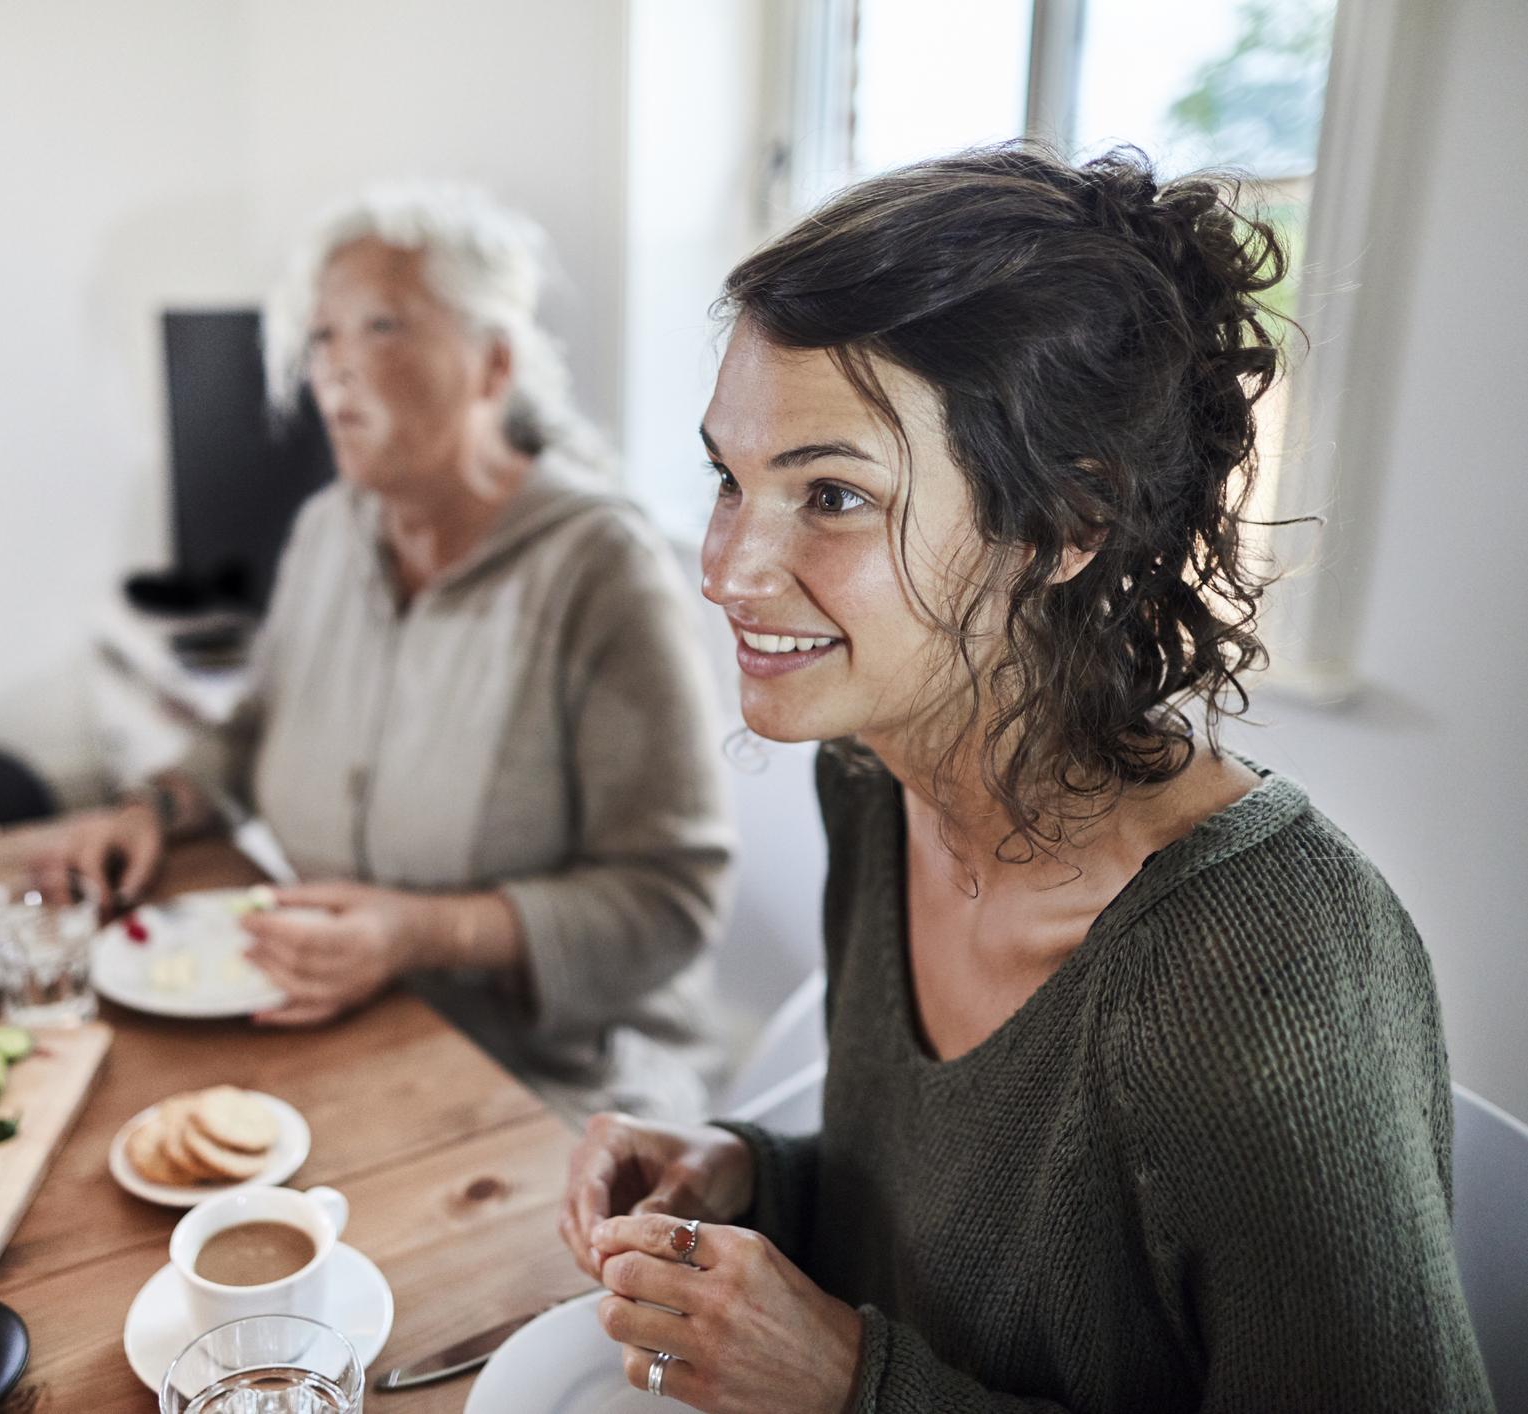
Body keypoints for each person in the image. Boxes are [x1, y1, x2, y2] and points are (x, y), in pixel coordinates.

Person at [557, 146, 1493, 1410]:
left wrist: (853, 1385)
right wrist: (751, 1173)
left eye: (832, 495)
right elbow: (960, 1249)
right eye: (732, 478)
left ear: (1063, 524)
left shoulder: (1267, 970)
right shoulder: (873, 775)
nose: (727, 567)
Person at [61, 184, 733, 1121]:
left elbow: (669, 903)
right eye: (322, 336)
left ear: (492, 364)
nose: (330, 373)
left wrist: (422, 933)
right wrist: (153, 805)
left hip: (549, 1088)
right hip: (344, 1031)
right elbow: (259, 729)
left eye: (378, 327)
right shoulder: (328, 531)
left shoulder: (598, 571)